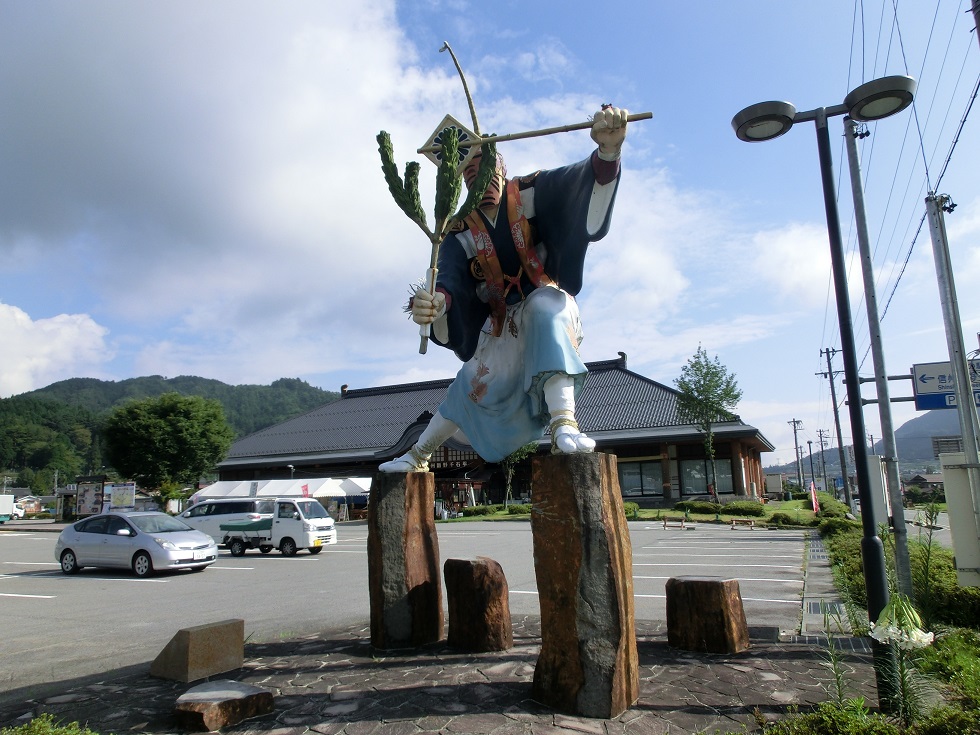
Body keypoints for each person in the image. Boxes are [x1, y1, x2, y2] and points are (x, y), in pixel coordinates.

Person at [380, 106, 629, 473]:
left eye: (484, 165)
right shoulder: (458, 233)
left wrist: (608, 154)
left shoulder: (531, 192)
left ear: (502, 167)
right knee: (468, 384)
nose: (477, 176)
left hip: (545, 297)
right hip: (501, 323)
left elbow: (578, 188)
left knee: (546, 311)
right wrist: (436, 304)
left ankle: (565, 423)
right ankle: (418, 455)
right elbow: (450, 284)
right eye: (468, 171)